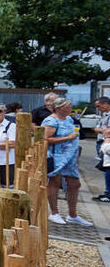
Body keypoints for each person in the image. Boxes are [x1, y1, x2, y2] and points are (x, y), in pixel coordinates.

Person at [44, 97, 91, 226]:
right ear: (59, 108)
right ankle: (54, 213)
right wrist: (67, 138)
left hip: (70, 158)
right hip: (56, 156)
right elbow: (46, 139)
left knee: (75, 184)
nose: (71, 109)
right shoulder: (51, 121)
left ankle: (73, 215)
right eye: (69, 107)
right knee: (55, 182)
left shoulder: (69, 119)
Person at [92, 97, 110, 202]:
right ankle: (107, 192)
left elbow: (107, 131)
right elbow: (97, 128)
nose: (98, 108)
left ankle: (108, 194)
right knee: (105, 169)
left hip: (106, 143)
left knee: (107, 168)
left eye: (99, 106)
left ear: (106, 104)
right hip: (102, 142)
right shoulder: (104, 116)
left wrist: (103, 132)